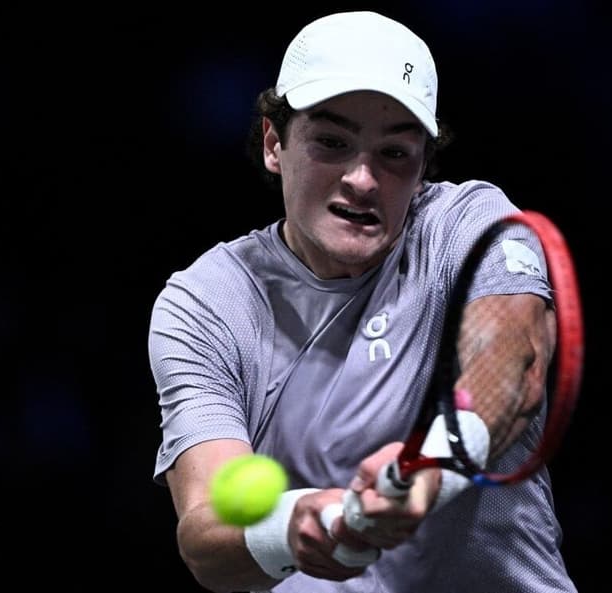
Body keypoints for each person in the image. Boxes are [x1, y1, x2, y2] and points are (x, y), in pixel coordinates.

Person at [148, 10, 578, 593]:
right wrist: (294, 525)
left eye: (394, 153)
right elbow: (206, 539)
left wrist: (430, 469)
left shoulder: (468, 225)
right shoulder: (207, 300)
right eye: (332, 142)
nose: (363, 179)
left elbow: (513, 366)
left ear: (422, 163)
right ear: (275, 143)